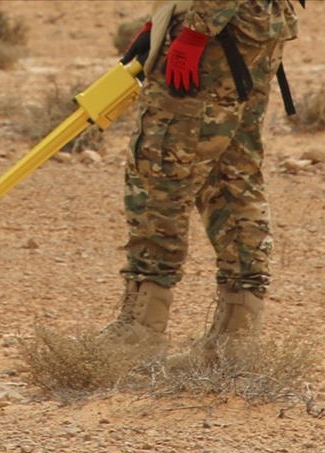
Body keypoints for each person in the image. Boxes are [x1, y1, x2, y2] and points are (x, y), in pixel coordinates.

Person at [99, 0, 300, 364]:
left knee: (162, 165)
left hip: (218, 30)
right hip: (248, 25)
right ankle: (235, 338)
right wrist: (161, 21)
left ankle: (140, 331)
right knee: (231, 172)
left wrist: (195, 30)